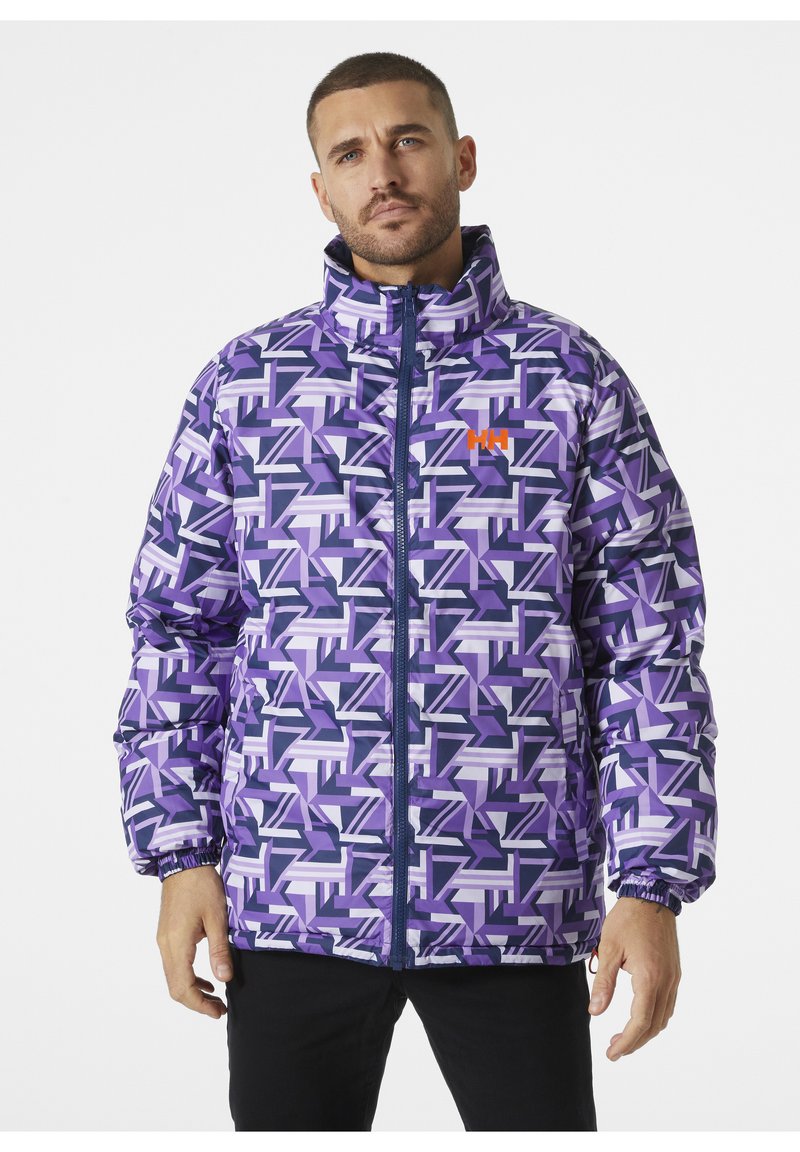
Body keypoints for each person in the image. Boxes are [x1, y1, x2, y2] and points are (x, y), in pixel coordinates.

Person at [112, 51, 719, 1132]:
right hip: (291, 900)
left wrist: (650, 882)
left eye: (407, 141)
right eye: (350, 153)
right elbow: (180, 631)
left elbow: (647, 645)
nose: (382, 172)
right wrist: (181, 857)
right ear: (321, 189)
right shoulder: (248, 387)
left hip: (512, 901)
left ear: (461, 158)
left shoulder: (565, 378)